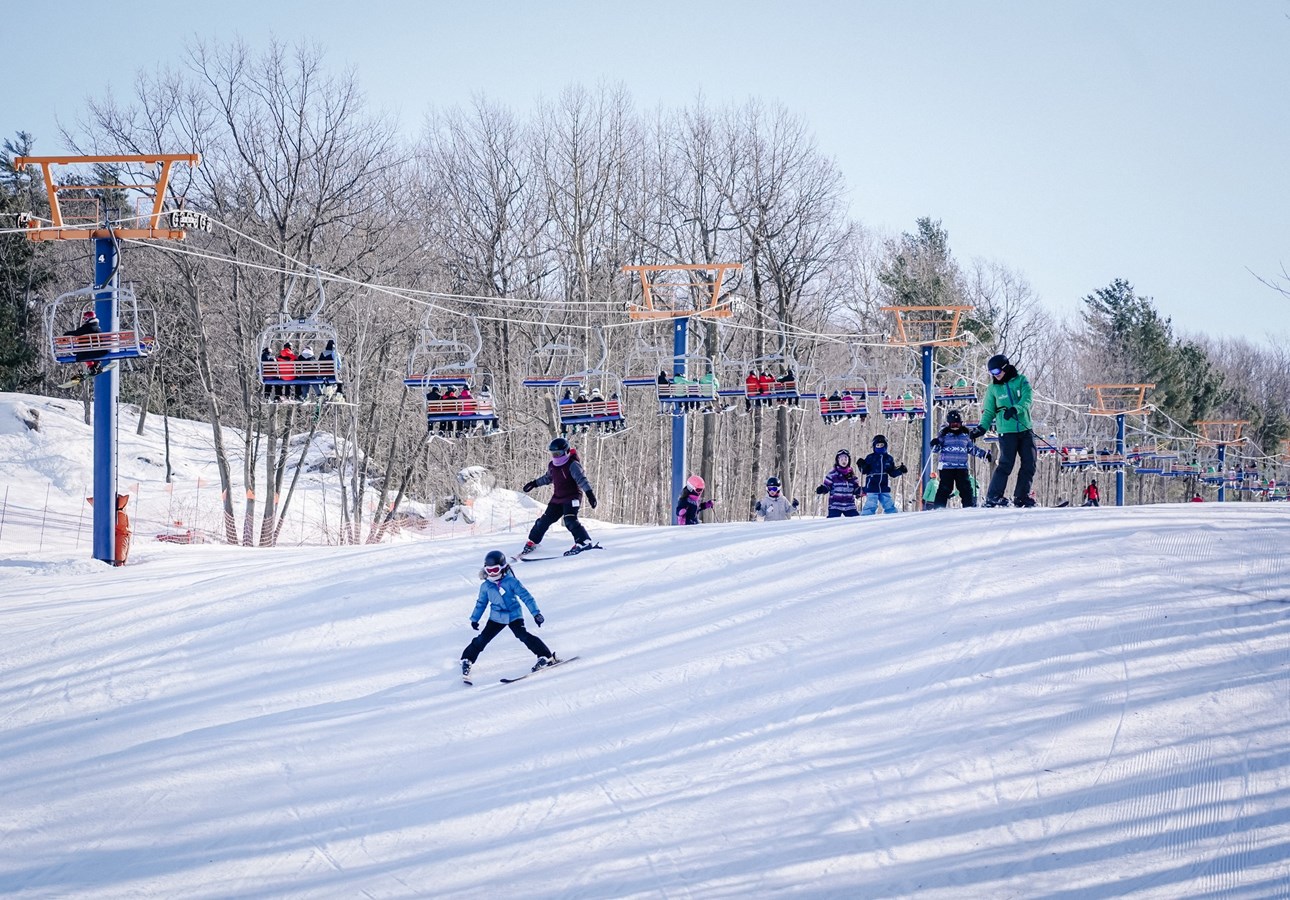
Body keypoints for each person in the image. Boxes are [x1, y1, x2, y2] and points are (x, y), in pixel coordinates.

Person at [460, 550, 557, 681]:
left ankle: (546, 656)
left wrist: (536, 613)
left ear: (503, 567)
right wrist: (475, 618)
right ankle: (467, 659)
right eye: (489, 570)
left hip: (514, 615)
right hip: (496, 617)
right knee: (483, 639)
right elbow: (481, 603)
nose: (492, 573)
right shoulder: (486, 586)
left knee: (523, 635)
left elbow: (526, 597)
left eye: (495, 569)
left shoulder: (511, 582)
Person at [970, 353, 1036, 507]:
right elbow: (988, 411)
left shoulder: (1021, 381)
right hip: (1006, 432)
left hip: (1025, 429)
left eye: (997, 372)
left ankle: (1021, 497)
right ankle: (993, 496)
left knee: (1029, 463)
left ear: (1005, 368)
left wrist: (1015, 409)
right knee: (1006, 464)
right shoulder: (993, 388)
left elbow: (1027, 399)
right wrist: (981, 428)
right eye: (992, 373)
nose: (995, 375)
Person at [520, 437, 598, 556]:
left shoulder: (573, 465)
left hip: (572, 497)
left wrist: (590, 494)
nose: (556, 456)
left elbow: (582, 480)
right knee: (544, 521)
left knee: (570, 520)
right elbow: (548, 478)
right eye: (553, 454)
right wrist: (534, 483)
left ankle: (584, 542)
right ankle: (533, 541)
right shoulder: (552, 465)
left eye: (558, 453)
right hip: (558, 498)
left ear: (566, 451)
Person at [930, 409, 992, 509]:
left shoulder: (965, 436)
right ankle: (938, 507)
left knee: (965, 488)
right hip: (947, 468)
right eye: (952, 425)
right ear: (948, 424)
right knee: (945, 488)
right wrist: (934, 443)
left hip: (961, 467)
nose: (955, 427)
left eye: (957, 425)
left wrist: (984, 455)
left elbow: (972, 449)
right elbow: (936, 449)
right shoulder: (944, 435)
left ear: (961, 424)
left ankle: (969, 506)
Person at [859, 434, 907, 516]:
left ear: (885, 445)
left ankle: (892, 515)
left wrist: (900, 470)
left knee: (888, 502)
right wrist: (861, 465)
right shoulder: (871, 457)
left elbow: (892, 472)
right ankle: (866, 516)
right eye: (877, 445)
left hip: (883, 485)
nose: (880, 447)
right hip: (872, 485)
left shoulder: (888, 458)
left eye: (882, 445)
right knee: (871, 503)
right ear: (874, 446)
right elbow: (864, 471)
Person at [815, 449, 862, 518]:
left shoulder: (852, 476)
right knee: (833, 521)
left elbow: (855, 489)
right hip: (835, 505)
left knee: (855, 521)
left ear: (849, 461)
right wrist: (822, 489)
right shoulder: (832, 474)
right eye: (841, 459)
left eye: (846, 459)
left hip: (849, 505)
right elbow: (827, 486)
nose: (844, 461)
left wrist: (859, 491)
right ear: (837, 460)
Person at [64, 310, 107, 375]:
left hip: (86, 352)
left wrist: (66, 334)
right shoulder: (98, 328)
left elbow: (76, 333)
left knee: (83, 351)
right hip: (100, 351)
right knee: (93, 349)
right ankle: (96, 365)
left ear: (89, 318)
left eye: (85, 318)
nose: (85, 320)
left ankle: (91, 367)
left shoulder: (86, 328)